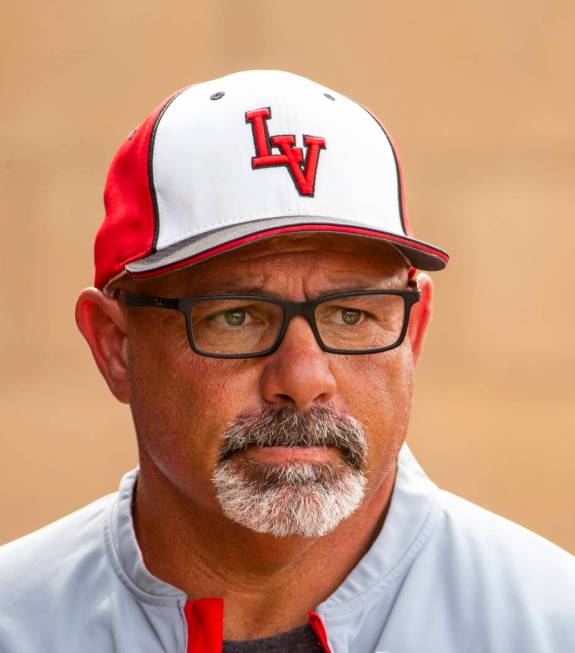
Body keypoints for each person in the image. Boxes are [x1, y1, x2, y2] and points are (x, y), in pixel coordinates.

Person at [0, 70, 573, 653]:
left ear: (413, 332)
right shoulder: (17, 622)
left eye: (350, 315)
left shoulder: (550, 625)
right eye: (236, 316)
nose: (303, 380)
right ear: (114, 346)